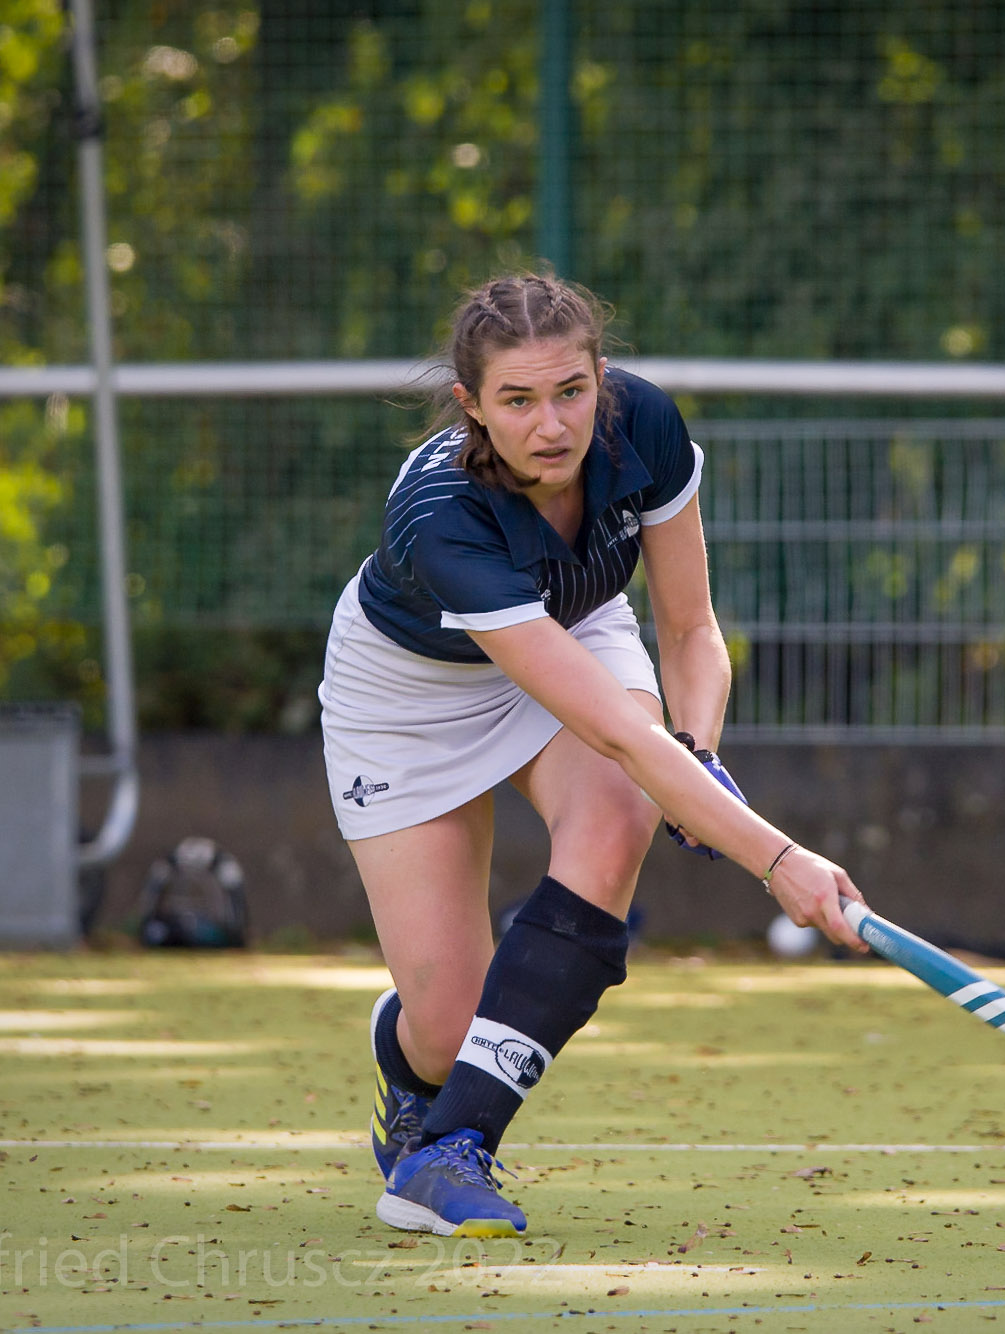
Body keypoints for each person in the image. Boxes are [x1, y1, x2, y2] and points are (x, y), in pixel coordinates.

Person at [316, 272, 867, 1239]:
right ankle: (409, 1065)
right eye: (518, 401)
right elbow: (616, 729)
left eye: (571, 391)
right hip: (407, 698)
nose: (552, 426)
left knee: (621, 811)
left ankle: (451, 1151)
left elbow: (690, 628)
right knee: (447, 1033)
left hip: (573, 625)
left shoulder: (642, 425)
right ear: (471, 406)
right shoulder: (441, 516)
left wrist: (696, 757)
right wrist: (778, 860)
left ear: (601, 379)